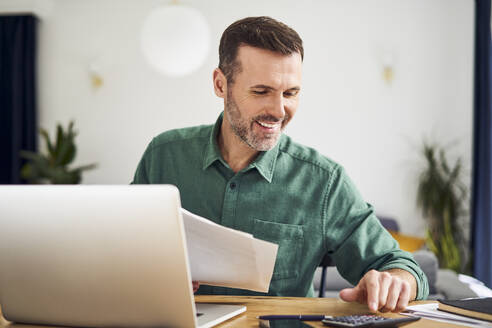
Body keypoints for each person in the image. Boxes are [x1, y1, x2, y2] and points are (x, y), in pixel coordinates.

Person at [132, 16, 429, 313]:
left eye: (291, 93)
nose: (278, 111)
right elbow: (123, 251)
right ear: (220, 84)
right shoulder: (163, 156)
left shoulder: (324, 181)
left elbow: (400, 266)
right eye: (261, 91)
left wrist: (396, 281)